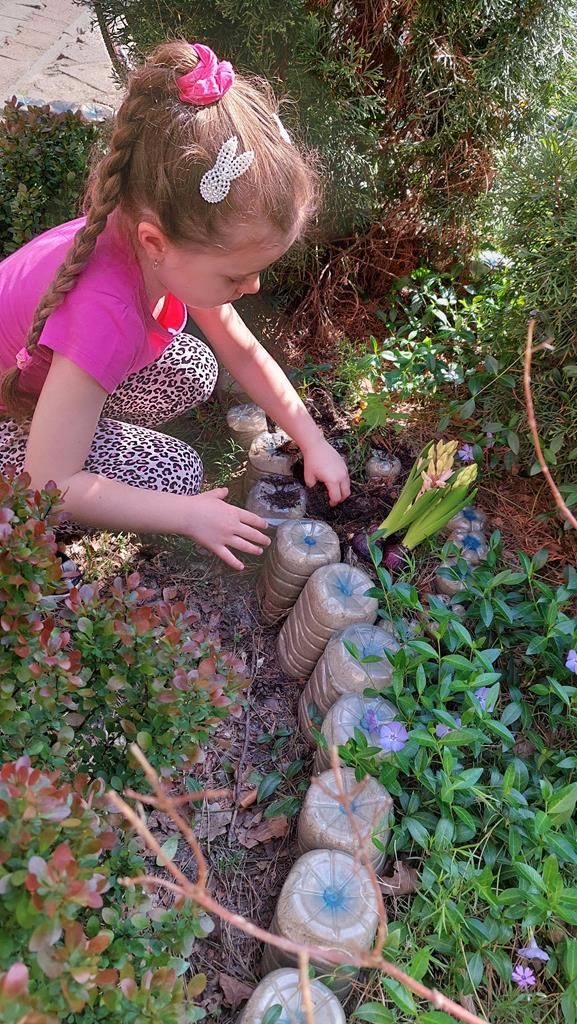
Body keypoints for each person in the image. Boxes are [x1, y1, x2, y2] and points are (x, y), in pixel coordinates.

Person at [0, 41, 350, 570]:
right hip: (13, 419)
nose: (253, 287)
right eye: (235, 275)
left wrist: (311, 438)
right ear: (156, 242)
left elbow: (239, 348)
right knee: (174, 473)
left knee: (194, 367)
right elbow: (49, 482)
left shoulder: (153, 242)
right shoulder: (106, 312)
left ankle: (76, 422)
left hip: (44, 376)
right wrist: (187, 516)